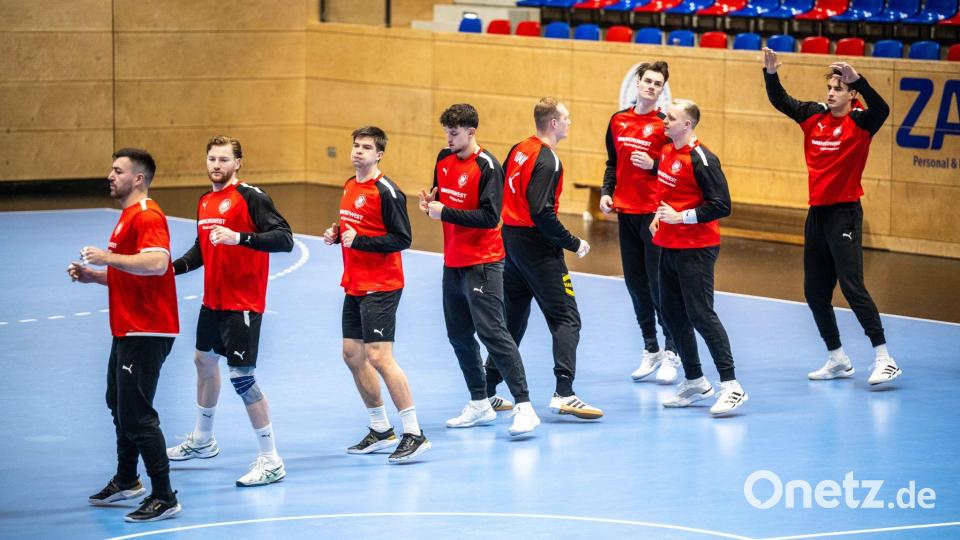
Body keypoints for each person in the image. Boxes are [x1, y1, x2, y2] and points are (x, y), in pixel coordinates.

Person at [762, 49, 901, 385]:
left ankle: (885, 357)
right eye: (830, 87)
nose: (830, 92)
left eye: (838, 88)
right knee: (815, 291)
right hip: (817, 215)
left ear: (851, 95)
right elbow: (781, 100)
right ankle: (837, 356)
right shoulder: (814, 116)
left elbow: (883, 109)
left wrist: (860, 82)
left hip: (845, 214)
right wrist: (770, 74)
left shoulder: (860, 121)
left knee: (852, 287)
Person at [165, 136, 294, 486]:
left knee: (243, 379)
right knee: (203, 362)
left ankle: (271, 460)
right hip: (213, 302)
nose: (216, 165)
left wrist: (240, 238)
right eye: (211, 159)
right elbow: (202, 248)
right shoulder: (206, 200)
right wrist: (171, 269)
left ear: (238, 163)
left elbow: (285, 239)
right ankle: (203, 440)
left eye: (224, 159)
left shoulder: (252, 197)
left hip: (243, 305)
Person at [70, 148, 182, 522]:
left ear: (138, 178)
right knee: (117, 403)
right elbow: (131, 271)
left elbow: (157, 262)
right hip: (128, 326)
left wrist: (107, 258)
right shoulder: (127, 218)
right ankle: (127, 479)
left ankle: (164, 496)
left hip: (148, 328)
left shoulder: (148, 215)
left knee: (137, 413)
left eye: (117, 171)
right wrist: (95, 275)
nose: (110, 175)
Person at [419, 104, 540, 436]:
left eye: (454, 133)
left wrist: (445, 213)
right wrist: (430, 204)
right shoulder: (444, 159)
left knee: (493, 333)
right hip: (452, 263)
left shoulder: (487, 167)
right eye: (446, 132)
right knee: (458, 335)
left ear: (471, 132)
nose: (448, 138)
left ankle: (525, 406)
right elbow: (441, 198)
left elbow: (490, 217)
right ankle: (479, 403)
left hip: (483, 263)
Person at [487, 97, 603, 420]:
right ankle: (564, 393)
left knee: (512, 320)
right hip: (536, 247)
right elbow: (541, 212)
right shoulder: (548, 160)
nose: (569, 122)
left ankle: (485, 390)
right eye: (566, 117)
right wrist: (573, 241)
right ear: (553, 123)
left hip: (511, 240)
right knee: (567, 318)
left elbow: (502, 189)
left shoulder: (518, 148)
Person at [323, 126, 431, 462]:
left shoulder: (386, 191)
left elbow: (402, 238)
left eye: (366, 147)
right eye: (356, 146)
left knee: (380, 357)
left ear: (379, 154)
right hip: (354, 283)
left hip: (382, 286)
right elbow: (355, 225)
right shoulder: (349, 185)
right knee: (352, 355)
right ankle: (381, 429)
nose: (358, 152)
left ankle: (414, 432)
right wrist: (337, 232)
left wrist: (362, 242)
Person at [649, 99, 747, 416]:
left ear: (687, 125)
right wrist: (658, 215)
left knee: (701, 315)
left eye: (671, 117)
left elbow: (722, 205)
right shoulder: (666, 151)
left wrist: (682, 217)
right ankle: (694, 380)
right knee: (672, 316)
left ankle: (731, 386)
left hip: (697, 248)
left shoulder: (703, 159)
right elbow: (666, 193)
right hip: (668, 244)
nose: (665, 119)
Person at [600, 60, 681, 384]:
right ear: (637, 83)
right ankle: (651, 348)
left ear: (662, 90)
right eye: (647, 81)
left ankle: (672, 351)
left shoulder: (665, 124)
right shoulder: (618, 121)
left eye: (657, 84)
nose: (651, 87)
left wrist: (652, 164)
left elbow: (677, 166)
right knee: (635, 284)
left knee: (659, 283)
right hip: (626, 213)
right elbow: (612, 162)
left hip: (654, 214)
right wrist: (607, 192)